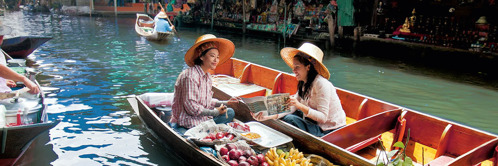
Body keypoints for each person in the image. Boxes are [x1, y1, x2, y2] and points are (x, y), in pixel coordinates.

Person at [253, 43, 346, 137]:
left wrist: (299, 105)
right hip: (312, 121)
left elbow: (323, 118)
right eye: (294, 67)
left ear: (308, 67)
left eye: (297, 67)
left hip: (328, 129)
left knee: (290, 119)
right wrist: (267, 117)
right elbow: (292, 106)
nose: (294, 70)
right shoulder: (304, 82)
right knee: (284, 108)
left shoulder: (321, 84)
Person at [170, 34, 240, 135]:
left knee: (229, 112)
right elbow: (192, 108)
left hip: (202, 120)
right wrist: (216, 112)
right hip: (186, 122)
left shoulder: (207, 76)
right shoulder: (190, 75)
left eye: (217, 57)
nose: (216, 60)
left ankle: (208, 130)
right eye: (212, 56)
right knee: (193, 139)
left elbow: (206, 101)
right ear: (201, 56)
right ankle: (206, 131)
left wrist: (226, 102)